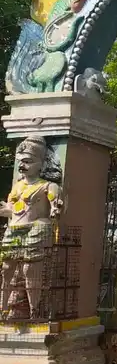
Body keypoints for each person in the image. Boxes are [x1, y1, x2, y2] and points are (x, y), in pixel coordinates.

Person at [0, 136, 63, 319]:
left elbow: (55, 204)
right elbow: (13, 208)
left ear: (42, 164)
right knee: (6, 269)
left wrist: (56, 208)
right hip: (15, 229)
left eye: (28, 161)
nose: (22, 165)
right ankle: (3, 308)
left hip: (35, 228)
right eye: (21, 161)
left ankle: (34, 310)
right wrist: (7, 210)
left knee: (30, 270)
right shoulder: (17, 186)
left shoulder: (48, 186)